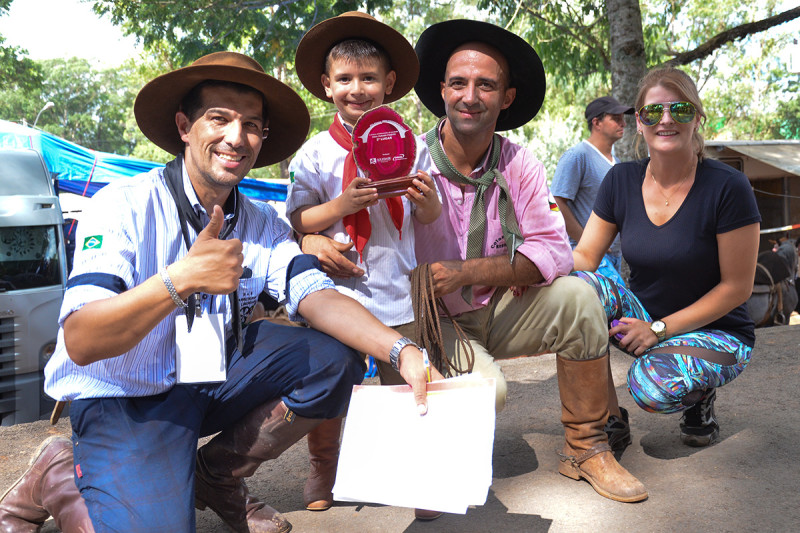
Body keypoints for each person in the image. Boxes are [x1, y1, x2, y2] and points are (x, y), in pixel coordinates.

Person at [0, 51, 440, 533]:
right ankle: (60, 474)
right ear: (184, 126)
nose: (236, 137)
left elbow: (316, 293)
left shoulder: (261, 222)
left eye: (252, 124)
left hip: (207, 380)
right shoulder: (122, 206)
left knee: (337, 356)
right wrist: (179, 280)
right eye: (219, 118)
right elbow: (82, 341)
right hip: (123, 398)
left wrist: (401, 349)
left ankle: (216, 475)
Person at [387, 19, 646, 503]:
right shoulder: (408, 159)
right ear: (441, 90)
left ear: (505, 98)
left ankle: (587, 447)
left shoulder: (518, 162)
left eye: (486, 84)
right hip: (432, 320)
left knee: (579, 297)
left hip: (498, 308)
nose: (470, 95)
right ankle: (429, 459)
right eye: (458, 83)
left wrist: (471, 270)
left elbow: (554, 251)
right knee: (490, 394)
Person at [286, 11, 441, 515]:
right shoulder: (313, 156)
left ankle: (418, 475)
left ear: (389, 84)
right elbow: (298, 218)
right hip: (339, 292)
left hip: (397, 284)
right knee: (336, 383)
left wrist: (423, 200)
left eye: (370, 79)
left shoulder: (411, 144)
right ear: (326, 85)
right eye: (346, 79)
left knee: (407, 380)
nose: (358, 89)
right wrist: (341, 207)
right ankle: (324, 466)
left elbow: (433, 211)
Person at [572, 66, 761, 448]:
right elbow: (585, 256)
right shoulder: (620, 179)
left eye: (681, 110)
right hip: (644, 318)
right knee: (575, 290)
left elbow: (737, 288)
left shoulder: (728, 186)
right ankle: (607, 417)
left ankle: (700, 396)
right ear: (639, 122)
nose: (667, 120)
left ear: (697, 118)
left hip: (717, 333)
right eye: (653, 112)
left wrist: (658, 330)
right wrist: (530, 271)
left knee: (651, 387)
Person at [551, 96, 633, 274]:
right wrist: (584, 240)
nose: (623, 124)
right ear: (597, 123)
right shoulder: (577, 156)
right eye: (616, 118)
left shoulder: (617, 163)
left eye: (623, 119)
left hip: (614, 258)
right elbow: (554, 203)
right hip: (585, 258)